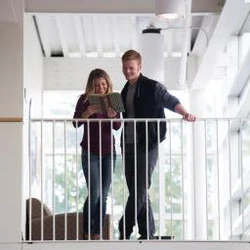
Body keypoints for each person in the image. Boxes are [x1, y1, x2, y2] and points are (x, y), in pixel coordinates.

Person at [118, 49, 196, 240]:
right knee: (139, 192)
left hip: (147, 144)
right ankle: (147, 234)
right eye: (125, 68)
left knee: (140, 189)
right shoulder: (124, 90)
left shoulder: (153, 87)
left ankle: (123, 229)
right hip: (127, 145)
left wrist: (185, 113)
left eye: (131, 68)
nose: (128, 71)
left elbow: (170, 101)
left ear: (140, 66)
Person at [73, 68, 121, 240]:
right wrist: (87, 113)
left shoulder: (113, 99)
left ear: (107, 84)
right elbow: (75, 123)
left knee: (104, 194)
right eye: (96, 85)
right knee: (95, 192)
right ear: (91, 86)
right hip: (90, 152)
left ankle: (97, 233)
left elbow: (117, 126)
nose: (100, 88)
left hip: (109, 152)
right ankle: (87, 230)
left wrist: (112, 116)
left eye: (103, 84)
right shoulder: (84, 99)